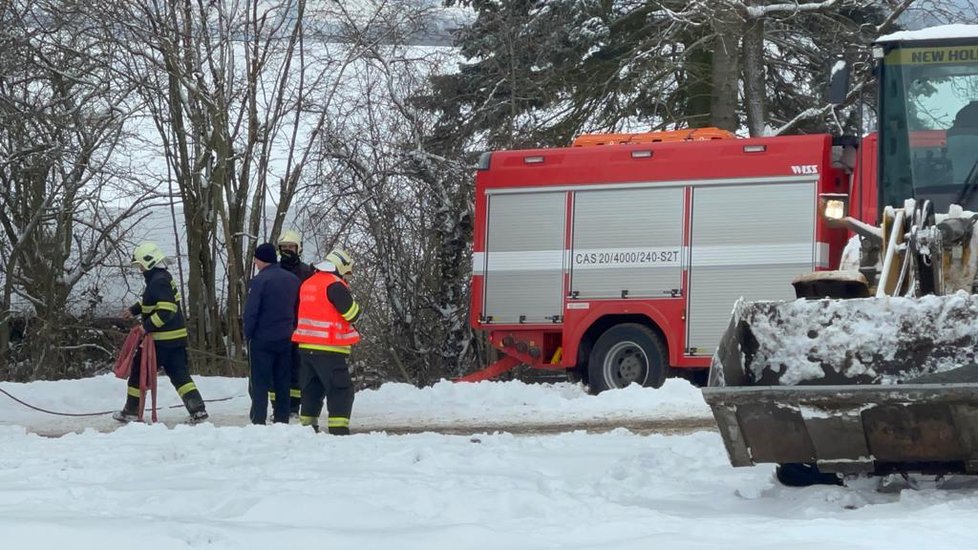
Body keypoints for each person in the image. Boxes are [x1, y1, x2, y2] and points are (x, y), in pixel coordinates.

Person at [114, 242, 208, 423]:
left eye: (140, 265)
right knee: (180, 374)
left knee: (137, 373)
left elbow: (166, 310)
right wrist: (134, 310)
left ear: (149, 262)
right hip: (176, 339)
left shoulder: (157, 281)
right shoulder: (162, 278)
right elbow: (153, 302)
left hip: (160, 341)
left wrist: (145, 327)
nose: (139, 269)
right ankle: (197, 410)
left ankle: (131, 411)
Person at [292, 249, 361, 435]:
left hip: (306, 347)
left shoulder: (308, 283)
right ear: (341, 267)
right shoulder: (335, 285)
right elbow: (352, 314)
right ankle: (339, 430)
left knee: (311, 389)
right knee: (340, 389)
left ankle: (307, 428)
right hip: (330, 348)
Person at [244, 243, 301, 424]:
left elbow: (251, 311)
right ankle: (282, 418)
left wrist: (249, 334)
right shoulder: (292, 280)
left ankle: (258, 419)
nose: (255, 263)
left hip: (262, 339)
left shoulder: (260, 281)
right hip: (286, 337)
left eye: (256, 259)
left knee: (259, 382)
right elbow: (297, 307)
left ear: (261, 260)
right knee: (282, 381)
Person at [276, 229, 314, 416]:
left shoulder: (307, 272)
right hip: (279, 327)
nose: (287, 250)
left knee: (296, 370)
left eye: (291, 247)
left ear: (297, 248)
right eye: (284, 247)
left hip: (301, 327)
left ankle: (293, 407)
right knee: (278, 368)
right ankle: (278, 407)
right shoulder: (274, 271)